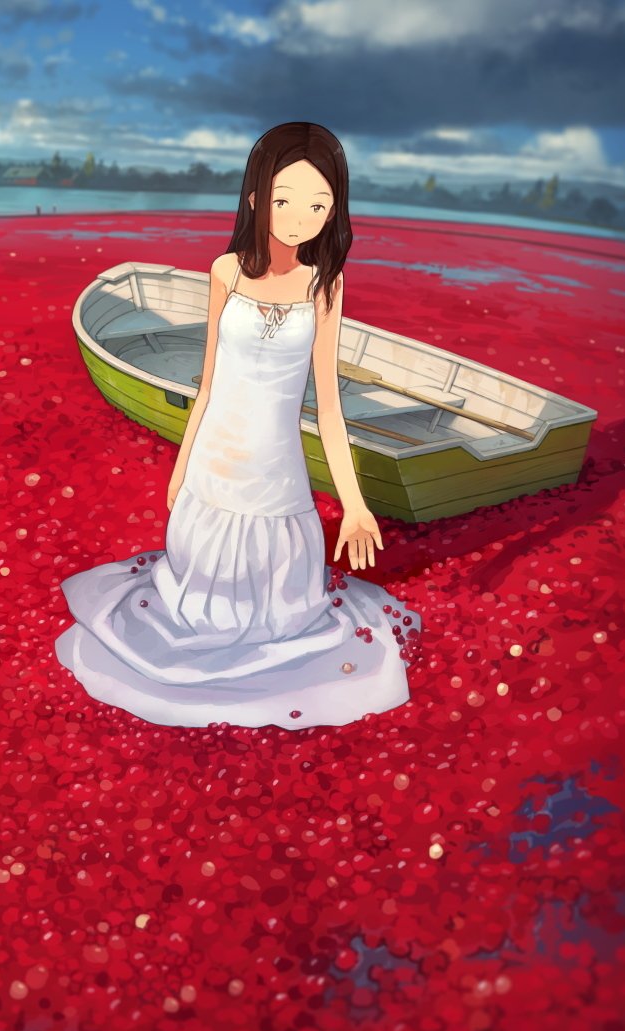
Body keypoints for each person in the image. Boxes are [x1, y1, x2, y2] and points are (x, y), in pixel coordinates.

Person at [54, 121, 421, 730]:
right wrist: (181, 465)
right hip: (214, 460)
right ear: (255, 199)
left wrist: (355, 506)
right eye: (283, 199)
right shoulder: (224, 271)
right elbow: (208, 380)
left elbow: (328, 406)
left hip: (275, 464)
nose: (300, 217)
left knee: (278, 604)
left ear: (334, 210)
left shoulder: (326, 284)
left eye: (318, 204)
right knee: (197, 586)